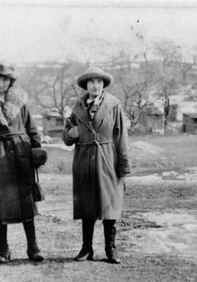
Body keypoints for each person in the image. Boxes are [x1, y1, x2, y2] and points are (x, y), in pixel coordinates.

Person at [0, 64, 44, 263]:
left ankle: (33, 247)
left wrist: (36, 151)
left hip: (21, 154)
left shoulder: (20, 101)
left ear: (10, 82)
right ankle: (4, 249)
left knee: (26, 202)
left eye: (6, 80)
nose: (1, 83)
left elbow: (32, 128)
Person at [63, 67, 131, 264]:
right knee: (87, 204)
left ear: (103, 85)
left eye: (99, 82)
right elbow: (66, 136)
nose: (95, 85)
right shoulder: (77, 107)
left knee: (110, 203)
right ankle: (87, 248)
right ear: (86, 85)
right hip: (84, 159)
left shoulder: (113, 105)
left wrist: (123, 165)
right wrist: (71, 134)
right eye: (91, 82)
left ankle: (111, 248)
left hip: (107, 157)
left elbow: (121, 136)